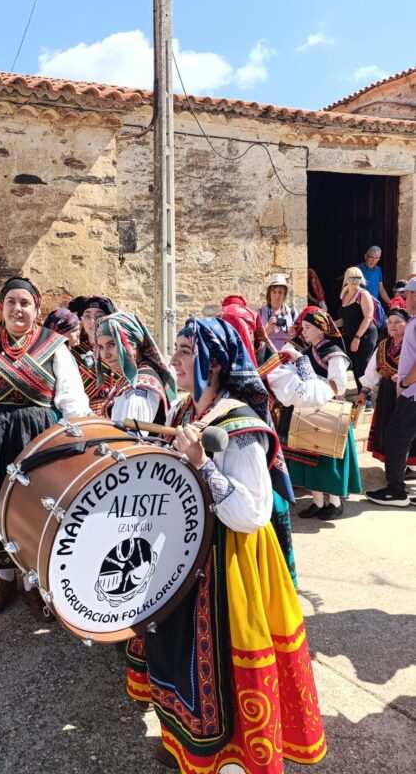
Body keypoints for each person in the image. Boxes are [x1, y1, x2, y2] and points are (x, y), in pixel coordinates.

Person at [126, 317, 326, 773]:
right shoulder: (182, 412)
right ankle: (182, 741)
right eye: (175, 350)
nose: (173, 359)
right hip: (183, 557)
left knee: (219, 670)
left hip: (228, 563)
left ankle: (229, 756)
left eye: (184, 351)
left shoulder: (241, 425)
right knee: (177, 656)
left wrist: (203, 465)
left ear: (214, 364)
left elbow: (251, 514)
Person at [0, 277, 90, 618]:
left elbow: (71, 399)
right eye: (11, 302)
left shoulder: (53, 346)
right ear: (0, 308)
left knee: (33, 511)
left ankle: (32, 584)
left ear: (37, 309)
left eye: (25, 303)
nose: (18, 309)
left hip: (37, 442)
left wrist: (76, 438)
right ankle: (4, 580)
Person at [268, 310, 362, 520]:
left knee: (328, 462)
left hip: (329, 415)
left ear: (321, 329)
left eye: (308, 327)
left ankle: (335, 503)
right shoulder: (308, 350)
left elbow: (338, 386)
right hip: (309, 411)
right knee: (311, 462)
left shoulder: (334, 352)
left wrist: (310, 382)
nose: (304, 331)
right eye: (304, 327)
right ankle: (318, 502)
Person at [367, 279, 416, 506]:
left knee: (397, 437)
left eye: (408, 295)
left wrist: (405, 382)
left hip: (412, 393)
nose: (406, 299)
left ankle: (396, 491)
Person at [95, 311, 176, 425]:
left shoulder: (139, 388)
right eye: (101, 347)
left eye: (112, 344)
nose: (105, 355)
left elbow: (130, 439)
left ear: (131, 344)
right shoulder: (129, 379)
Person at [358, 308, 416, 466]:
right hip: (387, 394)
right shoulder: (383, 345)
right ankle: (395, 466)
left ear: (408, 324)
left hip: (408, 392)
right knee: (388, 429)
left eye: (398, 322)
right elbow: (372, 371)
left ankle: (408, 465)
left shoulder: (411, 345)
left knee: (407, 431)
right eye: (390, 322)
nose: (393, 326)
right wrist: (364, 391)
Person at [69, 295, 119, 413]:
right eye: (87, 316)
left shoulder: (120, 351)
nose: (93, 322)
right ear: (81, 319)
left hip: (118, 411)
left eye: (99, 316)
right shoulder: (74, 352)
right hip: (84, 415)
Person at [339, 266, 377, 390]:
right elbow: (344, 319)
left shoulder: (363, 294)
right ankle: (361, 396)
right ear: (346, 279)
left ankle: (367, 399)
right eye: (352, 278)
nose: (355, 281)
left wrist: (357, 337)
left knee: (363, 366)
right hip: (351, 334)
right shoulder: (344, 294)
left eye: (358, 278)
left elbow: (368, 317)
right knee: (355, 366)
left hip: (365, 335)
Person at [220, 294, 268, 364]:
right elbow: (261, 341)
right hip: (248, 362)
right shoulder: (252, 313)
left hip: (227, 361)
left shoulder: (220, 315)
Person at [259, 273, 298, 351]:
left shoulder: (292, 313)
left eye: (280, 292)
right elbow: (257, 340)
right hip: (268, 356)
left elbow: (301, 337)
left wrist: (294, 334)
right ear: (269, 294)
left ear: (284, 294)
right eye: (274, 292)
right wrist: (268, 329)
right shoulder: (261, 313)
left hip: (287, 355)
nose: (277, 296)